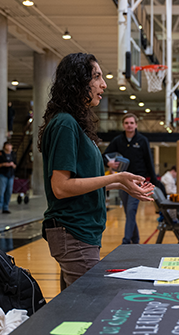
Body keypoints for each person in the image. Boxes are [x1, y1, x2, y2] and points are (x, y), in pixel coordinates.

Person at [38, 53, 153, 290]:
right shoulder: (65, 124)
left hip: (82, 232)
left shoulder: (74, 124)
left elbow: (82, 181)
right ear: (79, 82)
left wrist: (120, 183)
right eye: (97, 77)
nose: (104, 84)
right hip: (73, 231)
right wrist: (117, 176)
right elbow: (61, 187)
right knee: (90, 310)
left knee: (72, 313)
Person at [103, 113, 159, 245]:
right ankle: (136, 239)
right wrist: (109, 163)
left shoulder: (142, 140)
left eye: (131, 123)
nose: (129, 125)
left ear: (136, 125)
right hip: (122, 181)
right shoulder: (118, 140)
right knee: (129, 214)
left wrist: (154, 181)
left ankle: (126, 241)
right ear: (123, 125)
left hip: (138, 181)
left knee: (131, 210)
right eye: (127, 123)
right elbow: (104, 155)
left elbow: (149, 161)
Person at [0, 141, 16, 214]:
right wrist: (4, 164)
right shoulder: (0, 154)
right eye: (7, 145)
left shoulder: (13, 154)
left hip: (10, 175)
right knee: (0, 192)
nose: (9, 147)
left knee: (8, 192)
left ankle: (5, 207)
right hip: (2, 175)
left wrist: (12, 165)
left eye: (10, 145)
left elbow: (15, 165)